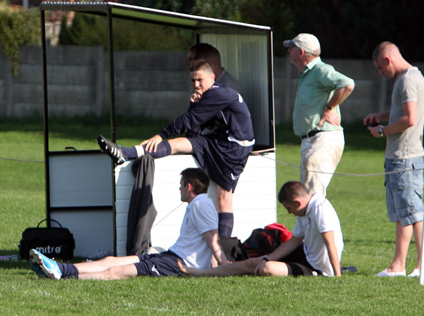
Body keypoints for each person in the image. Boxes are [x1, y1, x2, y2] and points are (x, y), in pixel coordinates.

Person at [97, 60, 254, 238]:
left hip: (235, 147)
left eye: (200, 80)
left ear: (212, 77)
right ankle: (126, 153)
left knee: (223, 198)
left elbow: (188, 120)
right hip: (220, 141)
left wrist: (161, 135)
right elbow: (194, 130)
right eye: (192, 80)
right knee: (178, 143)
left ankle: (223, 248)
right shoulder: (207, 96)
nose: (196, 85)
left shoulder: (219, 93)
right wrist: (195, 105)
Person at [30, 167, 228, 280]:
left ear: (189, 186)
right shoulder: (198, 204)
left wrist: (225, 269)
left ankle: (62, 274)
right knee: (112, 260)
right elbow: (209, 245)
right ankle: (60, 267)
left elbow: (213, 242)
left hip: (176, 264)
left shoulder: (201, 205)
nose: (179, 189)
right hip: (170, 256)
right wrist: (218, 268)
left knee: (115, 272)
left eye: (181, 185)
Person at [179, 180, 343, 278]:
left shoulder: (319, 208)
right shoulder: (304, 210)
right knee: (255, 262)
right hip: (305, 255)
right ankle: (201, 273)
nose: (289, 213)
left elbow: (330, 243)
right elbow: (294, 241)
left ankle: (200, 273)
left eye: (289, 208)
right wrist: (266, 257)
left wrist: (337, 276)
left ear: (297, 203)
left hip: (316, 268)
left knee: (266, 269)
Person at [363, 41, 424, 278]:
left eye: (380, 68)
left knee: (410, 213)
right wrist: (381, 115)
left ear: (387, 60)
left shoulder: (407, 80)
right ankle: (413, 265)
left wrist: (382, 131)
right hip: (401, 157)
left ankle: (405, 266)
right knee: (409, 213)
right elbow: (404, 111)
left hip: (405, 157)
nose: (381, 73)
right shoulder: (411, 77)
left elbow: (410, 119)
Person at [284, 33, 355, 197]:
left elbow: (347, 84)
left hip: (322, 139)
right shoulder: (308, 73)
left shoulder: (320, 70)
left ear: (301, 52)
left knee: (312, 196)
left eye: (291, 48)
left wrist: (329, 108)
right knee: (310, 194)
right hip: (313, 140)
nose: (288, 51)